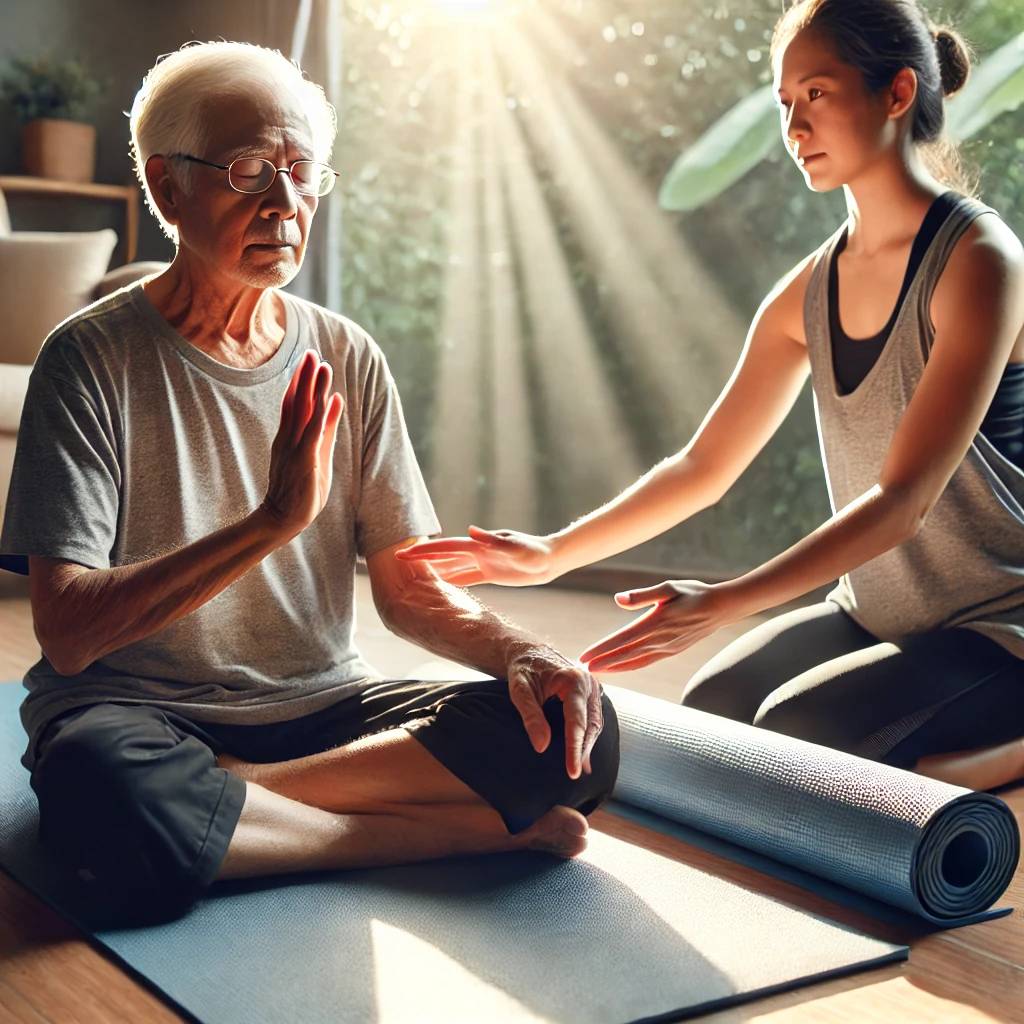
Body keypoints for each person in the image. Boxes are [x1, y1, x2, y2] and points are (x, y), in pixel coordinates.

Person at [0, 40, 617, 922]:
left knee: (572, 735)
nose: (285, 203)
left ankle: (239, 801)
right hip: (140, 714)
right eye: (251, 170)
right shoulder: (87, 360)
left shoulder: (347, 354)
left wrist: (524, 651)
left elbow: (408, 591)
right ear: (168, 186)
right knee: (103, 787)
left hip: (322, 709)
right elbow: (65, 636)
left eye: (302, 171)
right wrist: (268, 522)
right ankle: (447, 835)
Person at [400, 0, 1024, 792]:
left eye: (819, 94)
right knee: (717, 716)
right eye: (786, 103)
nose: (796, 126)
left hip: (998, 623)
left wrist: (723, 600)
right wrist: (553, 553)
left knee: (801, 736)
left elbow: (904, 500)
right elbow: (703, 465)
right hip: (880, 612)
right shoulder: (811, 288)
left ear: (897, 93)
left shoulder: (979, 260)